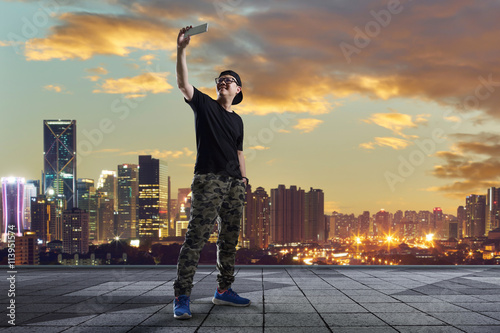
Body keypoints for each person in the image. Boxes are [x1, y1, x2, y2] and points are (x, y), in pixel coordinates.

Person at [172, 25, 251, 320]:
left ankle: (223, 291)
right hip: (208, 179)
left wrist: (243, 181)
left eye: (229, 81)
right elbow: (183, 83)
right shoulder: (204, 105)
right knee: (196, 236)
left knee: (229, 239)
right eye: (220, 80)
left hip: (234, 184)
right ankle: (182, 296)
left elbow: (240, 152)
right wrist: (181, 49)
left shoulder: (238, 121)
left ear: (238, 89)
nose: (223, 83)